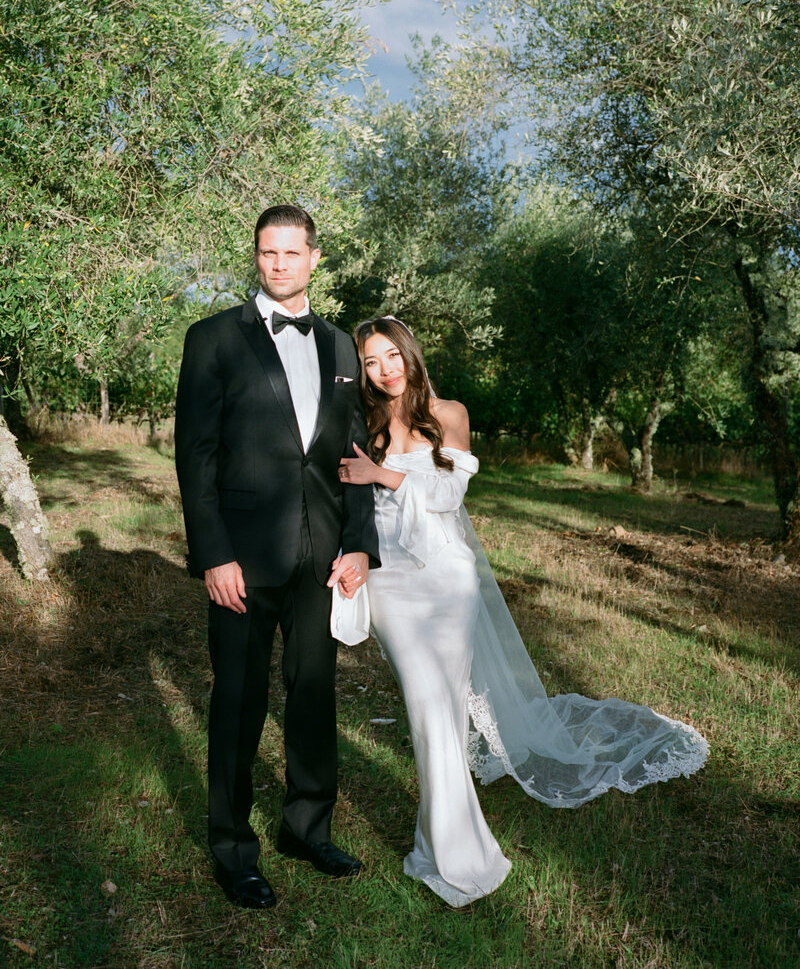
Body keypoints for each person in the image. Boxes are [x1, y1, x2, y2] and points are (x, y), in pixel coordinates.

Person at [339, 316, 708, 909]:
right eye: (370, 362)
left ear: (410, 353)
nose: (384, 370)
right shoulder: (363, 421)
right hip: (390, 582)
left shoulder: (448, 413)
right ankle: (450, 848)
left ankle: (446, 849)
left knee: (443, 709)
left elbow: (447, 495)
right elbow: (346, 499)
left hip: (445, 579)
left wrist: (380, 474)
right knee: (428, 707)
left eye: (391, 355)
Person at [174, 205, 380, 910]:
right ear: (257, 256)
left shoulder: (342, 348)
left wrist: (359, 545)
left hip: (322, 557)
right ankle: (234, 851)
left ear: (315, 258)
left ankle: (306, 829)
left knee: (314, 696)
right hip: (241, 559)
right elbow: (195, 456)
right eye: (269, 252)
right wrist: (213, 555)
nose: (280, 264)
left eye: (293, 253)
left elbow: (354, 456)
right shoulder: (212, 339)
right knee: (238, 701)